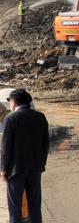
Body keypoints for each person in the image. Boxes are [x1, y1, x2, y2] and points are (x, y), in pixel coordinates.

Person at [1, 89, 49, 223]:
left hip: (15, 169)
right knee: (34, 205)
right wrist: (41, 163)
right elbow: (45, 144)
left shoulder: (10, 119)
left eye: (10, 101)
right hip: (35, 167)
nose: (9, 104)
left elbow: (6, 147)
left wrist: (3, 169)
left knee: (15, 207)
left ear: (14, 101)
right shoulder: (40, 117)